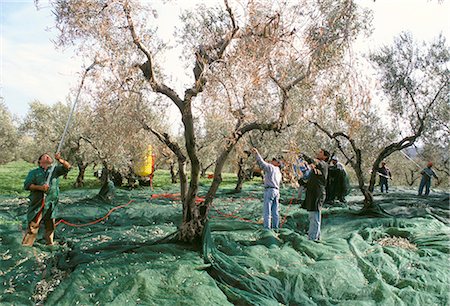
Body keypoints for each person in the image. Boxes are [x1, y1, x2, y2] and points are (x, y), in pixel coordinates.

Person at [22, 153, 71, 246]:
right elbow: (27, 185)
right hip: (38, 203)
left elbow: (68, 167)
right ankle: (26, 247)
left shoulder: (55, 171)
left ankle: (50, 244)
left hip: (51, 203)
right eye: (45, 156)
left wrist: (60, 160)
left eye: (49, 156)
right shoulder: (34, 172)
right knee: (33, 226)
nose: (48, 156)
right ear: (40, 161)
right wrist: (40, 188)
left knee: (50, 227)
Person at [251, 148, 282, 230]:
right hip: (277, 191)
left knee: (267, 211)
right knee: (275, 212)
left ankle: (267, 229)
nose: (272, 161)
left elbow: (262, 163)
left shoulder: (271, 168)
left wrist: (256, 154)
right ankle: (276, 228)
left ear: (277, 163)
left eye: (274, 160)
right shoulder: (279, 172)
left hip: (270, 191)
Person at [302, 148, 330, 241]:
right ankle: (315, 237)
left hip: (317, 194)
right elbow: (311, 180)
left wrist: (302, 154)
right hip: (313, 193)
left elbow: (312, 161)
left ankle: (313, 239)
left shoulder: (323, 165)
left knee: (315, 216)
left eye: (321, 152)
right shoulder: (316, 169)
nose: (318, 153)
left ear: (325, 156)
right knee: (312, 216)